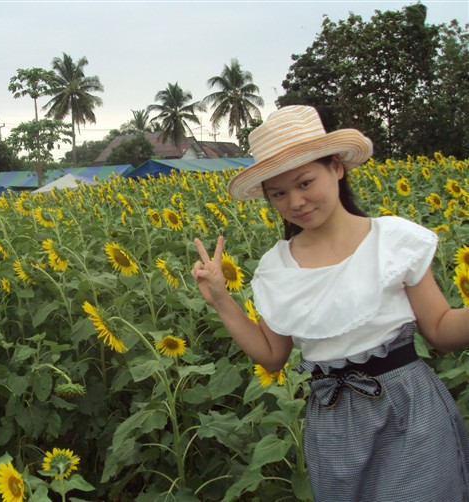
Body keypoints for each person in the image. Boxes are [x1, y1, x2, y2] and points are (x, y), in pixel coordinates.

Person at [191, 105, 469, 501]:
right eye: (279, 194)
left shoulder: (392, 240)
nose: (295, 202)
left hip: (409, 410)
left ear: (336, 167)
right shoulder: (276, 267)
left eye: (305, 183)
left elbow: (441, 329)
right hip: (333, 417)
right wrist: (220, 298)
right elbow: (271, 356)